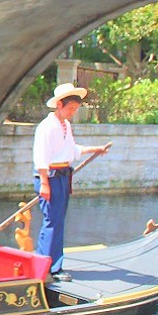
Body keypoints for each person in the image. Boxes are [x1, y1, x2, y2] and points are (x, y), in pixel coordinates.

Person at [33, 83, 110, 282]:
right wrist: (43, 183)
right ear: (59, 104)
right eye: (70, 109)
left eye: (75, 109)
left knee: (57, 222)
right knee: (52, 221)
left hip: (62, 177)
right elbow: (40, 156)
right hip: (49, 177)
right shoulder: (46, 127)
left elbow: (72, 150)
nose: (72, 113)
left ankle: (46, 263)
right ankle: (51, 267)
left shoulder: (66, 126)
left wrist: (95, 149)